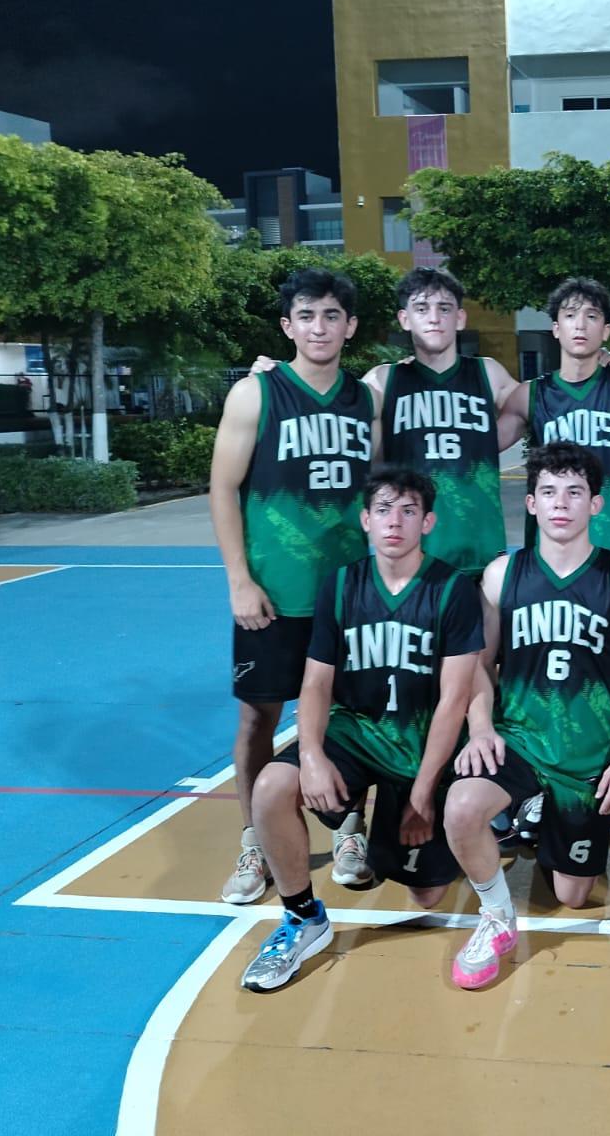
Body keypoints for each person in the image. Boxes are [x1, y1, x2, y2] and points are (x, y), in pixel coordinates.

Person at [238, 468, 483, 991]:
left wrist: (422, 794)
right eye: (385, 510)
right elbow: (317, 682)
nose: (396, 521)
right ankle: (303, 918)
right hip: (355, 732)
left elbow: (454, 700)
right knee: (271, 789)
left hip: (419, 746)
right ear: (366, 520)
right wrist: (310, 755)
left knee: (426, 896)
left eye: (409, 510)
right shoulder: (342, 584)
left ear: (428, 521)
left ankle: (388, 830)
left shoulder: (453, 590)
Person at [442, 442, 610, 989]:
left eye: (574, 493)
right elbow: (479, 663)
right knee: (462, 807)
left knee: (573, 895)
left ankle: (540, 816)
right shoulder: (501, 575)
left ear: (596, 504)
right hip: (520, 742)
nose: (561, 503)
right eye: (548, 493)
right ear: (533, 504)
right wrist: (480, 728)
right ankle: (496, 914)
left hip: (589, 760)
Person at [208, 268, 376, 904]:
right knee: (258, 716)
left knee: (354, 715)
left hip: (350, 595)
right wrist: (239, 580)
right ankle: (254, 841)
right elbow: (223, 487)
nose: (320, 327)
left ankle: (350, 828)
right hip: (275, 593)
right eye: (307, 316)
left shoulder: (365, 400)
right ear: (288, 326)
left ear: (349, 326)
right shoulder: (255, 395)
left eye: (332, 316)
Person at [368, 267, 525, 579]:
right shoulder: (384, 380)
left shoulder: (488, 374)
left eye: (444, 308)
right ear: (404, 318)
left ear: (461, 318)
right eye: (421, 308)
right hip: (412, 556)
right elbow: (332, 406)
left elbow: (539, 404)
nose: (434, 318)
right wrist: (280, 375)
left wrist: (599, 360)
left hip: (482, 552)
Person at [501, 276, 610, 564]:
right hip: (551, 547)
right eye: (570, 316)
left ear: (605, 331)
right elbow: (475, 444)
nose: (580, 325)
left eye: (591, 316)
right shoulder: (529, 395)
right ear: (556, 328)